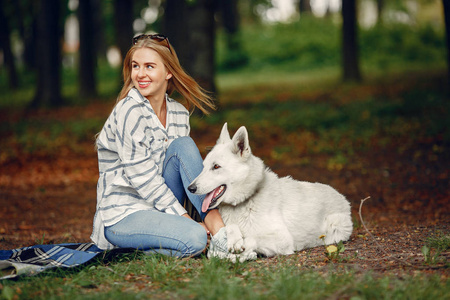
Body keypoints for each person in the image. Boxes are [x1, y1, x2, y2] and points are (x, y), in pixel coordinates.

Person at [90, 34, 228, 258]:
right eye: (136, 66)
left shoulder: (179, 113)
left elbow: (188, 177)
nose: (140, 74)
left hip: (160, 206)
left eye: (149, 66)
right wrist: (186, 221)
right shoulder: (129, 111)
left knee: (184, 145)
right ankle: (132, 251)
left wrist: (198, 219)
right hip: (124, 214)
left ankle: (222, 232)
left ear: (168, 72)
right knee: (196, 238)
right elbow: (144, 180)